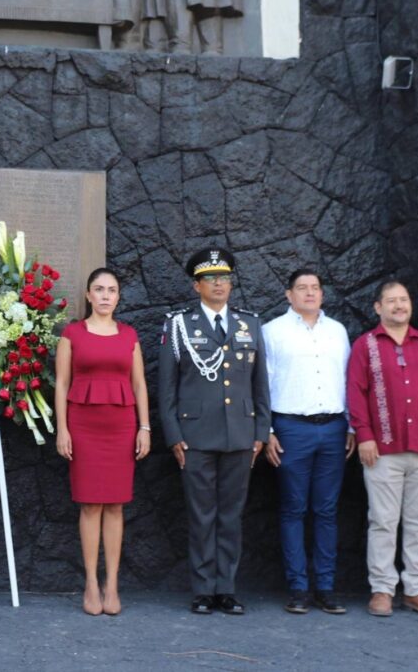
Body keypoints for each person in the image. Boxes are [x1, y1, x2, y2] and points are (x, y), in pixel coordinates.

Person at [158, 248, 270, 615]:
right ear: (197, 286)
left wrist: (261, 431)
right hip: (195, 436)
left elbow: (260, 384)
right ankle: (204, 589)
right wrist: (174, 435)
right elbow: (167, 387)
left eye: (224, 277)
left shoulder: (249, 324)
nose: (219, 284)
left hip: (240, 433)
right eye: (210, 278)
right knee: (202, 514)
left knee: (231, 515)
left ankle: (227, 588)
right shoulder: (179, 325)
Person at [347, 280, 418, 618]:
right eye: (391, 301)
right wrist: (364, 435)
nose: (399, 305)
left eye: (404, 300)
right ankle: (382, 589)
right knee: (382, 521)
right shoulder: (366, 345)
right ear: (378, 308)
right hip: (381, 450)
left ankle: (416, 590)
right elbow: (355, 392)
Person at [54, 268, 151, 616]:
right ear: (88, 295)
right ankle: (91, 584)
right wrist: (62, 429)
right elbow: (62, 384)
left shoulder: (129, 336)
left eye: (112, 290)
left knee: (115, 505)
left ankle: (112, 584)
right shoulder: (72, 334)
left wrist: (145, 427)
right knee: (90, 505)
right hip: (83, 426)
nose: (106, 295)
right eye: (99, 289)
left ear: (118, 296)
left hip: (122, 426)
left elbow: (139, 385)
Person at [262, 269, 353, 615]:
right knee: (293, 509)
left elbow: (348, 380)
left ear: (322, 294)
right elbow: (263, 385)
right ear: (289, 295)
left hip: (333, 427)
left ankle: (326, 588)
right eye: (302, 288)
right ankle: (298, 587)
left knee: (327, 510)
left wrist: (352, 428)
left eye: (315, 288)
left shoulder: (337, 332)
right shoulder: (273, 332)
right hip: (290, 429)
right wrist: (267, 430)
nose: (310, 293)